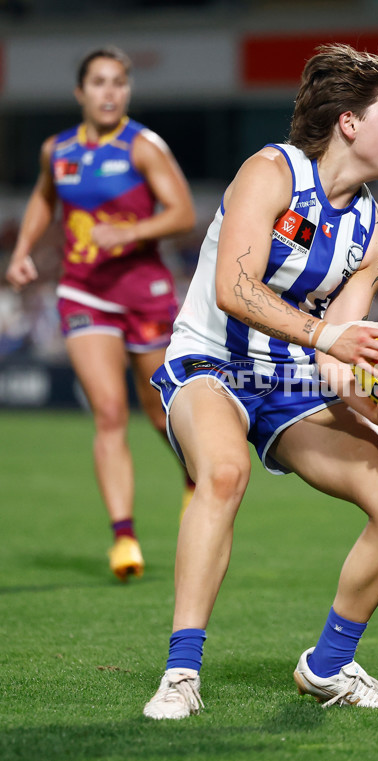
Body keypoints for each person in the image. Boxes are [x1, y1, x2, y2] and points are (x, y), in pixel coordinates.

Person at [143, 42, 378, 719]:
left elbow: (335, 361)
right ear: (350, 124)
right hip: (208, 364)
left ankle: (329, 667)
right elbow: (232, 288)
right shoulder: (271, 171)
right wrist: (329, 337)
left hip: (291, 381)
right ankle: (181, 673)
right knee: (221, 472)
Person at [5, 46, 197, 581]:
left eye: (118, 83)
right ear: (80, 93)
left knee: (159, 412)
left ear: (127, 92)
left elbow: (182, 212)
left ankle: (192, 477)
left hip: (145, 292)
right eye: (99, 83)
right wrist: (23, 250)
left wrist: (130, 231)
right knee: (110, 412)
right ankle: (123, 537)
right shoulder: (57, 150)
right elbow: (45, 198)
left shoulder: (144, 147)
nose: (109, 92)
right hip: (83, 291)